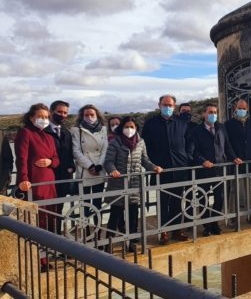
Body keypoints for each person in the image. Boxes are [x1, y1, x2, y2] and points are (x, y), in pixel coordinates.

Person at [103, 116, 163, 253]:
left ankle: (129, 243)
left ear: (136, 128)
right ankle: (108, 244)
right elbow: (108, 161)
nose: (129, 129)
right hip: (118, 184)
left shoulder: (140, 142)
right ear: (121, 128)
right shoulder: (115, 142)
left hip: (135, 185)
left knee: (132, 217)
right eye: (126, 127)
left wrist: (154, 167)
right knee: (115, 216)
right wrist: (112, 170)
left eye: (132, 127)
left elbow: (145, 160)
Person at [141, 94, 194, 244]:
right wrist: (153, 163)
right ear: (159, 105)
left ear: (174, 107)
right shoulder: (150, 123)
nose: (167, 107)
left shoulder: (182, 122)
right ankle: (162, 231)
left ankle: (176, 230)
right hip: (160, 168)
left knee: (178, 200)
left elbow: (190, 140)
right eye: (165, 105)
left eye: (170, 105)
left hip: (180, 166)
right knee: (163, 201)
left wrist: (187, 156)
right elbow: (145, 146)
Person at [15, 103, 60, 272]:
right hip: (35, 182)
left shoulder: (49, 136)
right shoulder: (25, 133)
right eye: (40, 117)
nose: (44, 119)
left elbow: (56, 159)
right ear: (32, 118)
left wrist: (50, 162)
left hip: (49, 181)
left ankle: (45, 255)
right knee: (36, 220)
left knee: (48, 220)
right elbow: (21, 159)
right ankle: (37, 259)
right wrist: (23, 179)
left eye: (46, 117)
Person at [191, 103, 242, 237]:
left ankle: (214, 222)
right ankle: (206, 225)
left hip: (220, 169)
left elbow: (227, 146)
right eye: (210, 112)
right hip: (205, 171)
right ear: (204, 114)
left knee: (220, 198)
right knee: (204, 199)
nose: (213, 114)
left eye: (215, 112)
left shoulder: (221, 127)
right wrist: (203, 161)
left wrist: (234, 158)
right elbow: (194, 151)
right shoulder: (196, 131)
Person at [71, 104, 108, 239]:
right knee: (85, 206)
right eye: (86, 115)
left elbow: (105, 149)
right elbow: (75, 151)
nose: (89, 117)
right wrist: (90, 166)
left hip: (99, 170)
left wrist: (99, 166)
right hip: (85, 171)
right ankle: (86, 234)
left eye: (92, 115)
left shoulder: (103, 129)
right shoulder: (76, 130)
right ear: (82, 116)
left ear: (97, 115)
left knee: (97, 204)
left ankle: (98, 234)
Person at [225, 99, 251, 225]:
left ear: (247, 109)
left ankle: (250, 215)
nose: (241, 110)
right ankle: (232, 217)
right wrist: (234, 157)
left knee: (249, 189)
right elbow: (227, 144)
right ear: (235, 108)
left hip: (249, 163)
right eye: (239, 108)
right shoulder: (228, 124)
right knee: (234, 190)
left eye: (244, 108)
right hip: (235, 163)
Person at [44, 100, 75, 234]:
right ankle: (45, 243)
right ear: (51, 112)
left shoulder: (66, 132)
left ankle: (57, 243)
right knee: (45, 213)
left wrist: (71, 167)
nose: (62, 115)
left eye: (65, 113)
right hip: (47, 178)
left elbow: (70, 153)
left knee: (58, 211)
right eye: (59, 112)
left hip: (62, 178)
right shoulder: (43, 132)